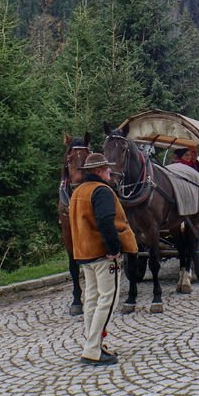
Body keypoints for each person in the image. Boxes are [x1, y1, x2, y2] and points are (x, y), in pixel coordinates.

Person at [68, 152, 138, 366]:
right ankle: (92, 350)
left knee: (91, 300)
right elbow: (105, 220)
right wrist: (114, 248)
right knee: (108, 300)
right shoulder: (102, 191)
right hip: (103, 254)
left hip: (85, 254)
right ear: (98, 171)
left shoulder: (78, 192)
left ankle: (94, 343)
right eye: (107, 169)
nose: (110, 172)